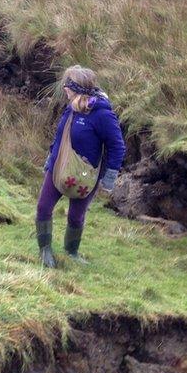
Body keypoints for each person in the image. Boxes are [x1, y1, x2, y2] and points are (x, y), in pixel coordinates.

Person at [36, 65, 126, 268]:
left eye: (68, 85)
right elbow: (60, 137)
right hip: (59, 167)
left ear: (78, 88)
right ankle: (45, 251)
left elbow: (117, 146)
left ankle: (71, 252)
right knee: (43, 207)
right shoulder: (72, 108)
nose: (65, 88)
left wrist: (109, 176)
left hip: (87, 174)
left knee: (76, 216)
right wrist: (50, 158)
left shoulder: (102, 115)